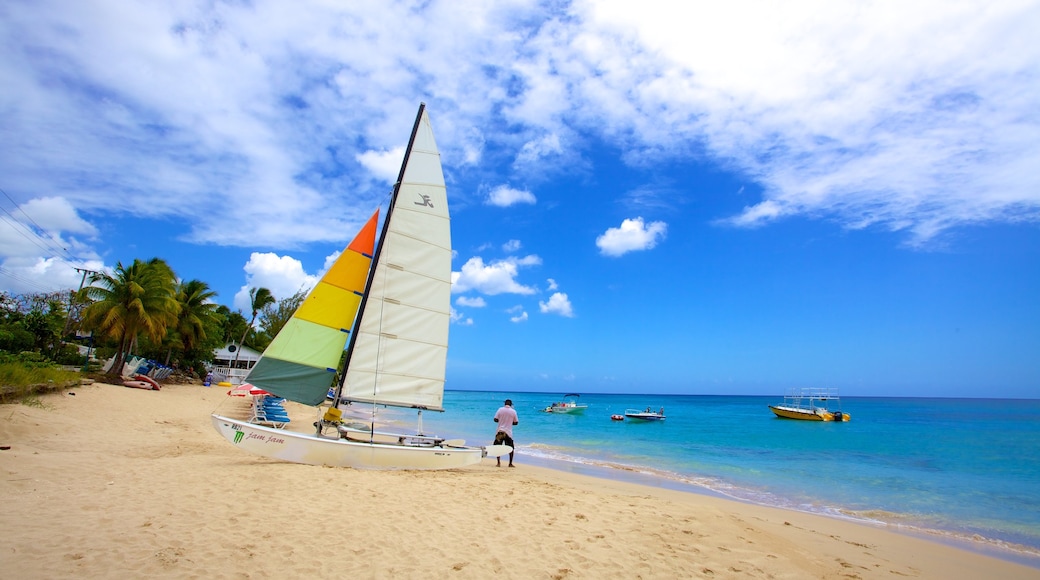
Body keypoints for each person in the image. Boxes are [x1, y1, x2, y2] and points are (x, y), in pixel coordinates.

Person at [492, 398, 519, 467]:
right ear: (511, 404)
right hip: (508, 433)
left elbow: (495, 419)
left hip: (500, 431)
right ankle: (510, 463)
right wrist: (510, 422)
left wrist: (501, 421)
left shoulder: (500, 410)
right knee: (510, 448)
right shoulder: (513, 411)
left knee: (498, 447)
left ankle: (498, 463)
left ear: (505, 404)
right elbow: (516, 423)